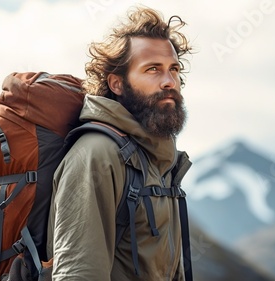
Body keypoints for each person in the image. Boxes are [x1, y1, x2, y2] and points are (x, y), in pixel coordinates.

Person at [46, 6, 193, 281]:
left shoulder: (156, 160)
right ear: (117, 83)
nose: (169, 81)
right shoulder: (97, 155)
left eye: (174, 69)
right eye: (153, 70)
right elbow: (78, 274)